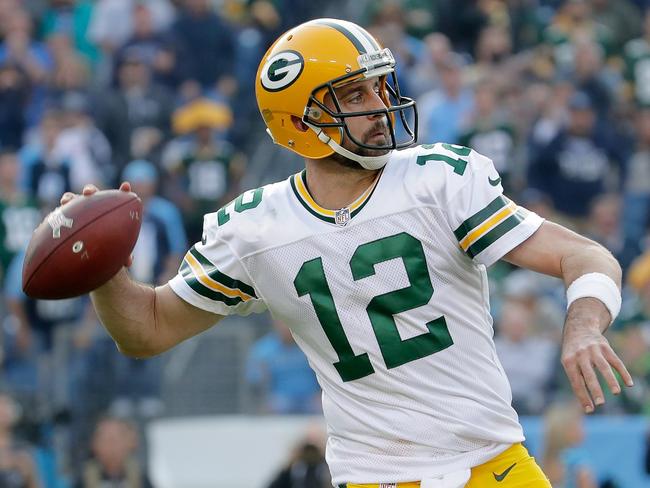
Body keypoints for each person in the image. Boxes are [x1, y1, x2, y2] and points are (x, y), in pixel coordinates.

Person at [61, 18, 633, 488]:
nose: (381, 106)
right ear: (300, 119)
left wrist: (584, 325)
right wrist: (103, 268)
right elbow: (146, 330)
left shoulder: (438, 181)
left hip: (490, 466)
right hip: (371, 477)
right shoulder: (255, 228)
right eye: (355, 94)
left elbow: (586, 256)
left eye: (381, 86)